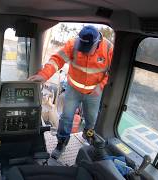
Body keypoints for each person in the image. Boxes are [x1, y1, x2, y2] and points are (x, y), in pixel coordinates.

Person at [28, 25, 113, 159]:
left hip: (93, 93)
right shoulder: (73, 44)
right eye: (81, 48)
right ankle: (61, 143)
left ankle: (87, 136)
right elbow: (57, 60)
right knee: (66, 118)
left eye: (87, 49)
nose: (83, 52)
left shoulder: (108, 49)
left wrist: (100, 86)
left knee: (91, 119)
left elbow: (111, 72)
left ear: (97, 44)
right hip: (73, 90)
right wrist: (44, 75)